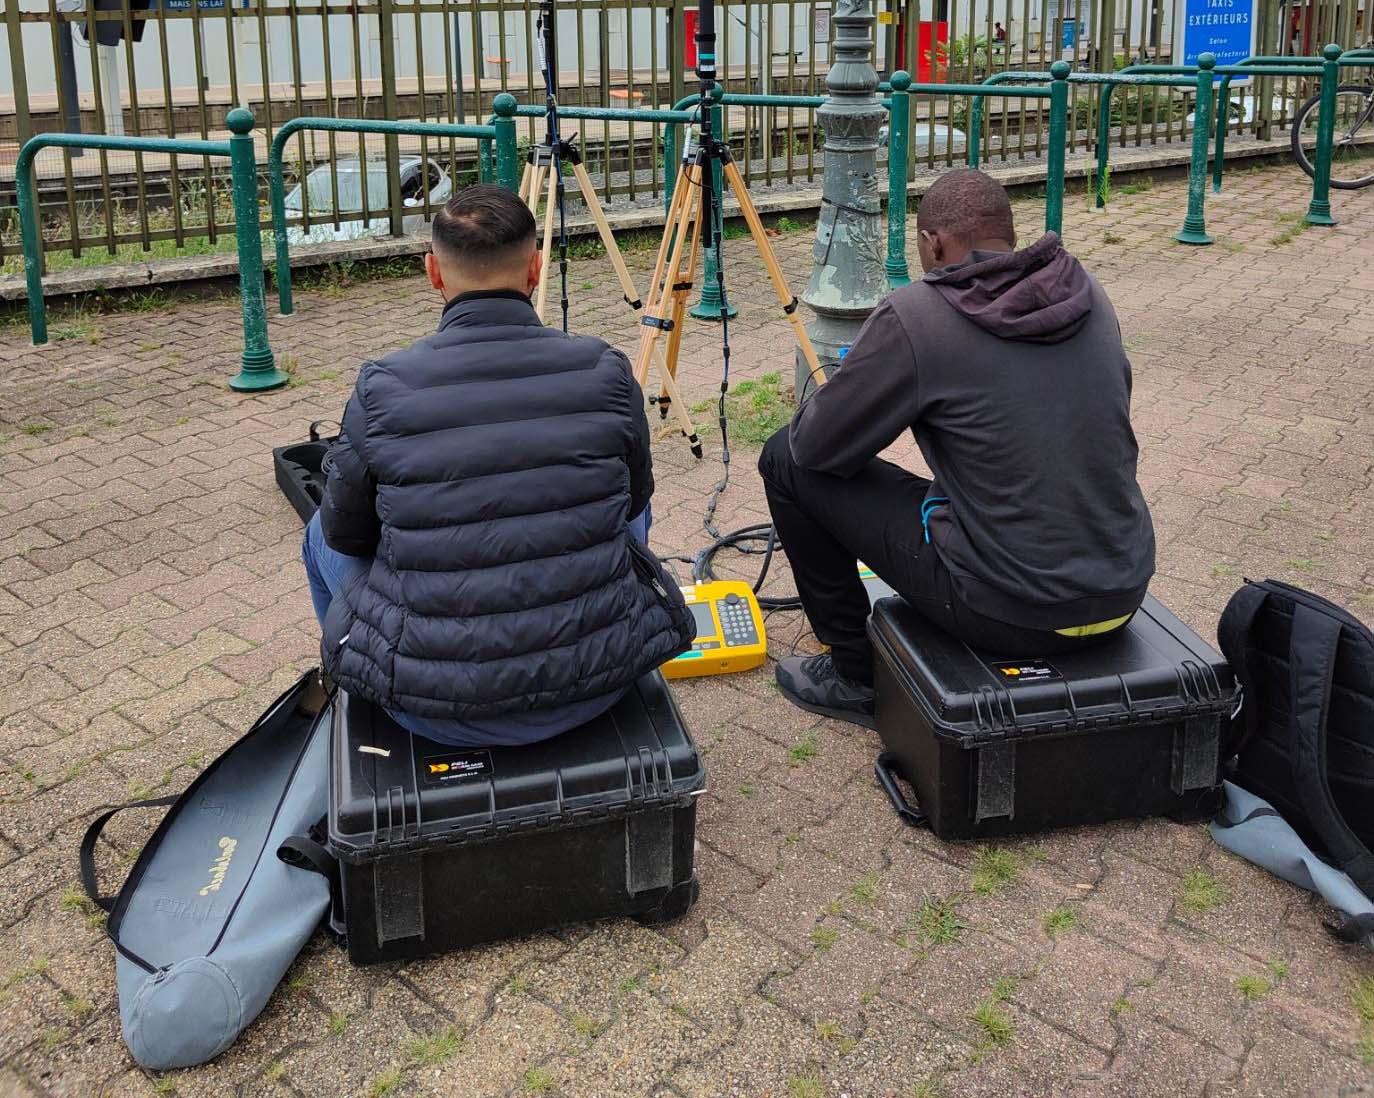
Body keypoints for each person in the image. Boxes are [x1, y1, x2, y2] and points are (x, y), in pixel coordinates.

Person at [759, 169, 1155, 729]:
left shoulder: (920, 315)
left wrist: (858, 382)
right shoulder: (1087, 293)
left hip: (1009, 612)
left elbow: (815, 449)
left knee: (783, 457)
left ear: (933, 242)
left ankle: (855, 674)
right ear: (1007, 235)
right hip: (1121, 590)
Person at [303, 184, 694, 747]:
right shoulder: (605, 370)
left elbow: (347, 535)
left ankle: (354, 691)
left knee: (318, 532)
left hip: (431, 709)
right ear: (536, 268)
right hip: (600, 683)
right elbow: (634, 504)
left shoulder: (381, 387)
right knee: (629, 507)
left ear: (433, 273)